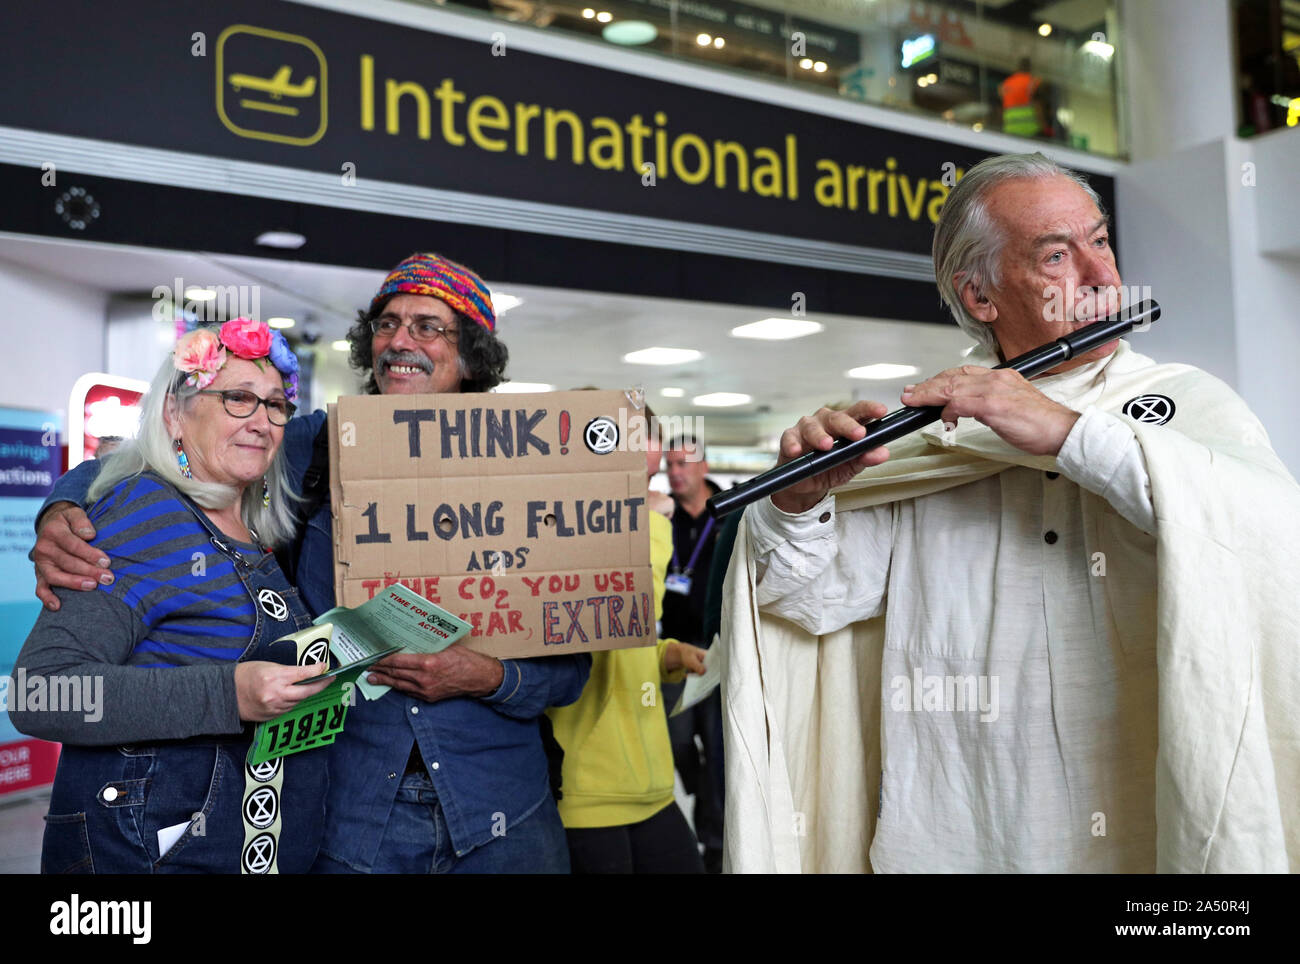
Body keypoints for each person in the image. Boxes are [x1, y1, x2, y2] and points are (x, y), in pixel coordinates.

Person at [721, 152, 1300, 873]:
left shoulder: (1188, 406)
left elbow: (1270, 544)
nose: (1102, 277)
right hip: (957, 837)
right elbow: (808, 605)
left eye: (1100, 240)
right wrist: (797, 505)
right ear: (981, 295)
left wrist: (1069, 434)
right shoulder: (931, 432)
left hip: (1143, 850)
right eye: (1057, 255)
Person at [30, 253, 591, 874]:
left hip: (502, 813)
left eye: (428, 326)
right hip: (351, 820)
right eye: (386, 323)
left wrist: (484, 676)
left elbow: (570, 665)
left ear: (472, 355)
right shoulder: (316, 446)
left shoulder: (530, 470)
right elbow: (159, 454)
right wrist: (62, 507)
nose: (400, 340)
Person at [13, 319, 333, 873]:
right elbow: (42, 693)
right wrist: (228, 694)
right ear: (174, 412)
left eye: (276, 404)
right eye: (237, 398)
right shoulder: (141, 513)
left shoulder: (250, 528)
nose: (262, 421)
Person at [547, 405, 708, 873]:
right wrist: (654, 525)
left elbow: (625, 641)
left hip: (652, 784)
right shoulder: (554, 539)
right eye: (632, 482)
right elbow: (625, 610)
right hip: (585, 793)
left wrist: (666, 655)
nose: (650, 491)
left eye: (650, 478)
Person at [659, 434, 725, 872]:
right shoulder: (661, 517)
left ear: (704, 466)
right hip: (675, 651)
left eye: (684, 464)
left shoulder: (733, 509)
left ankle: (717, 841)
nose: (676, 472)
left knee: (721, 750)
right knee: (678, 742)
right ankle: (705, 802)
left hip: (722, 650)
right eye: (670, 465)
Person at [999, 57, 1043, 138]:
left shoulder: (1006, 83)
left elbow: (1003, 106)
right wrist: (1043, 125)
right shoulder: (1033, 82)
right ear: (1030, 68)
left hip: (1010, 128)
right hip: (1029, 129)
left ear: (1017, 68)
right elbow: (1038, 105)